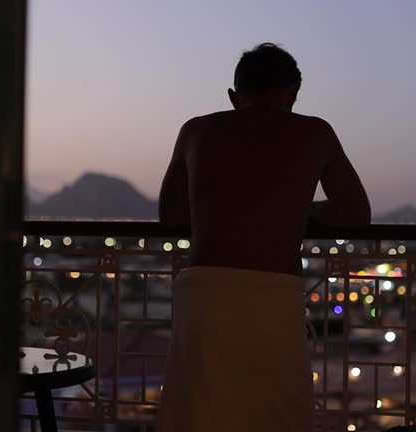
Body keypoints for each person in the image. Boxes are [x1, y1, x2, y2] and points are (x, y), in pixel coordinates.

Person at [157, 43, 370, 432]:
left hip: (207, 293)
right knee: (276, 411)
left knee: (200, 410)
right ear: (292, 95)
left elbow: (170, 216)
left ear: (234, 96)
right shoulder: (315, 131)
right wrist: (297, 207)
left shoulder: (197, 129)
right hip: (274, 294)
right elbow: (356, 214)